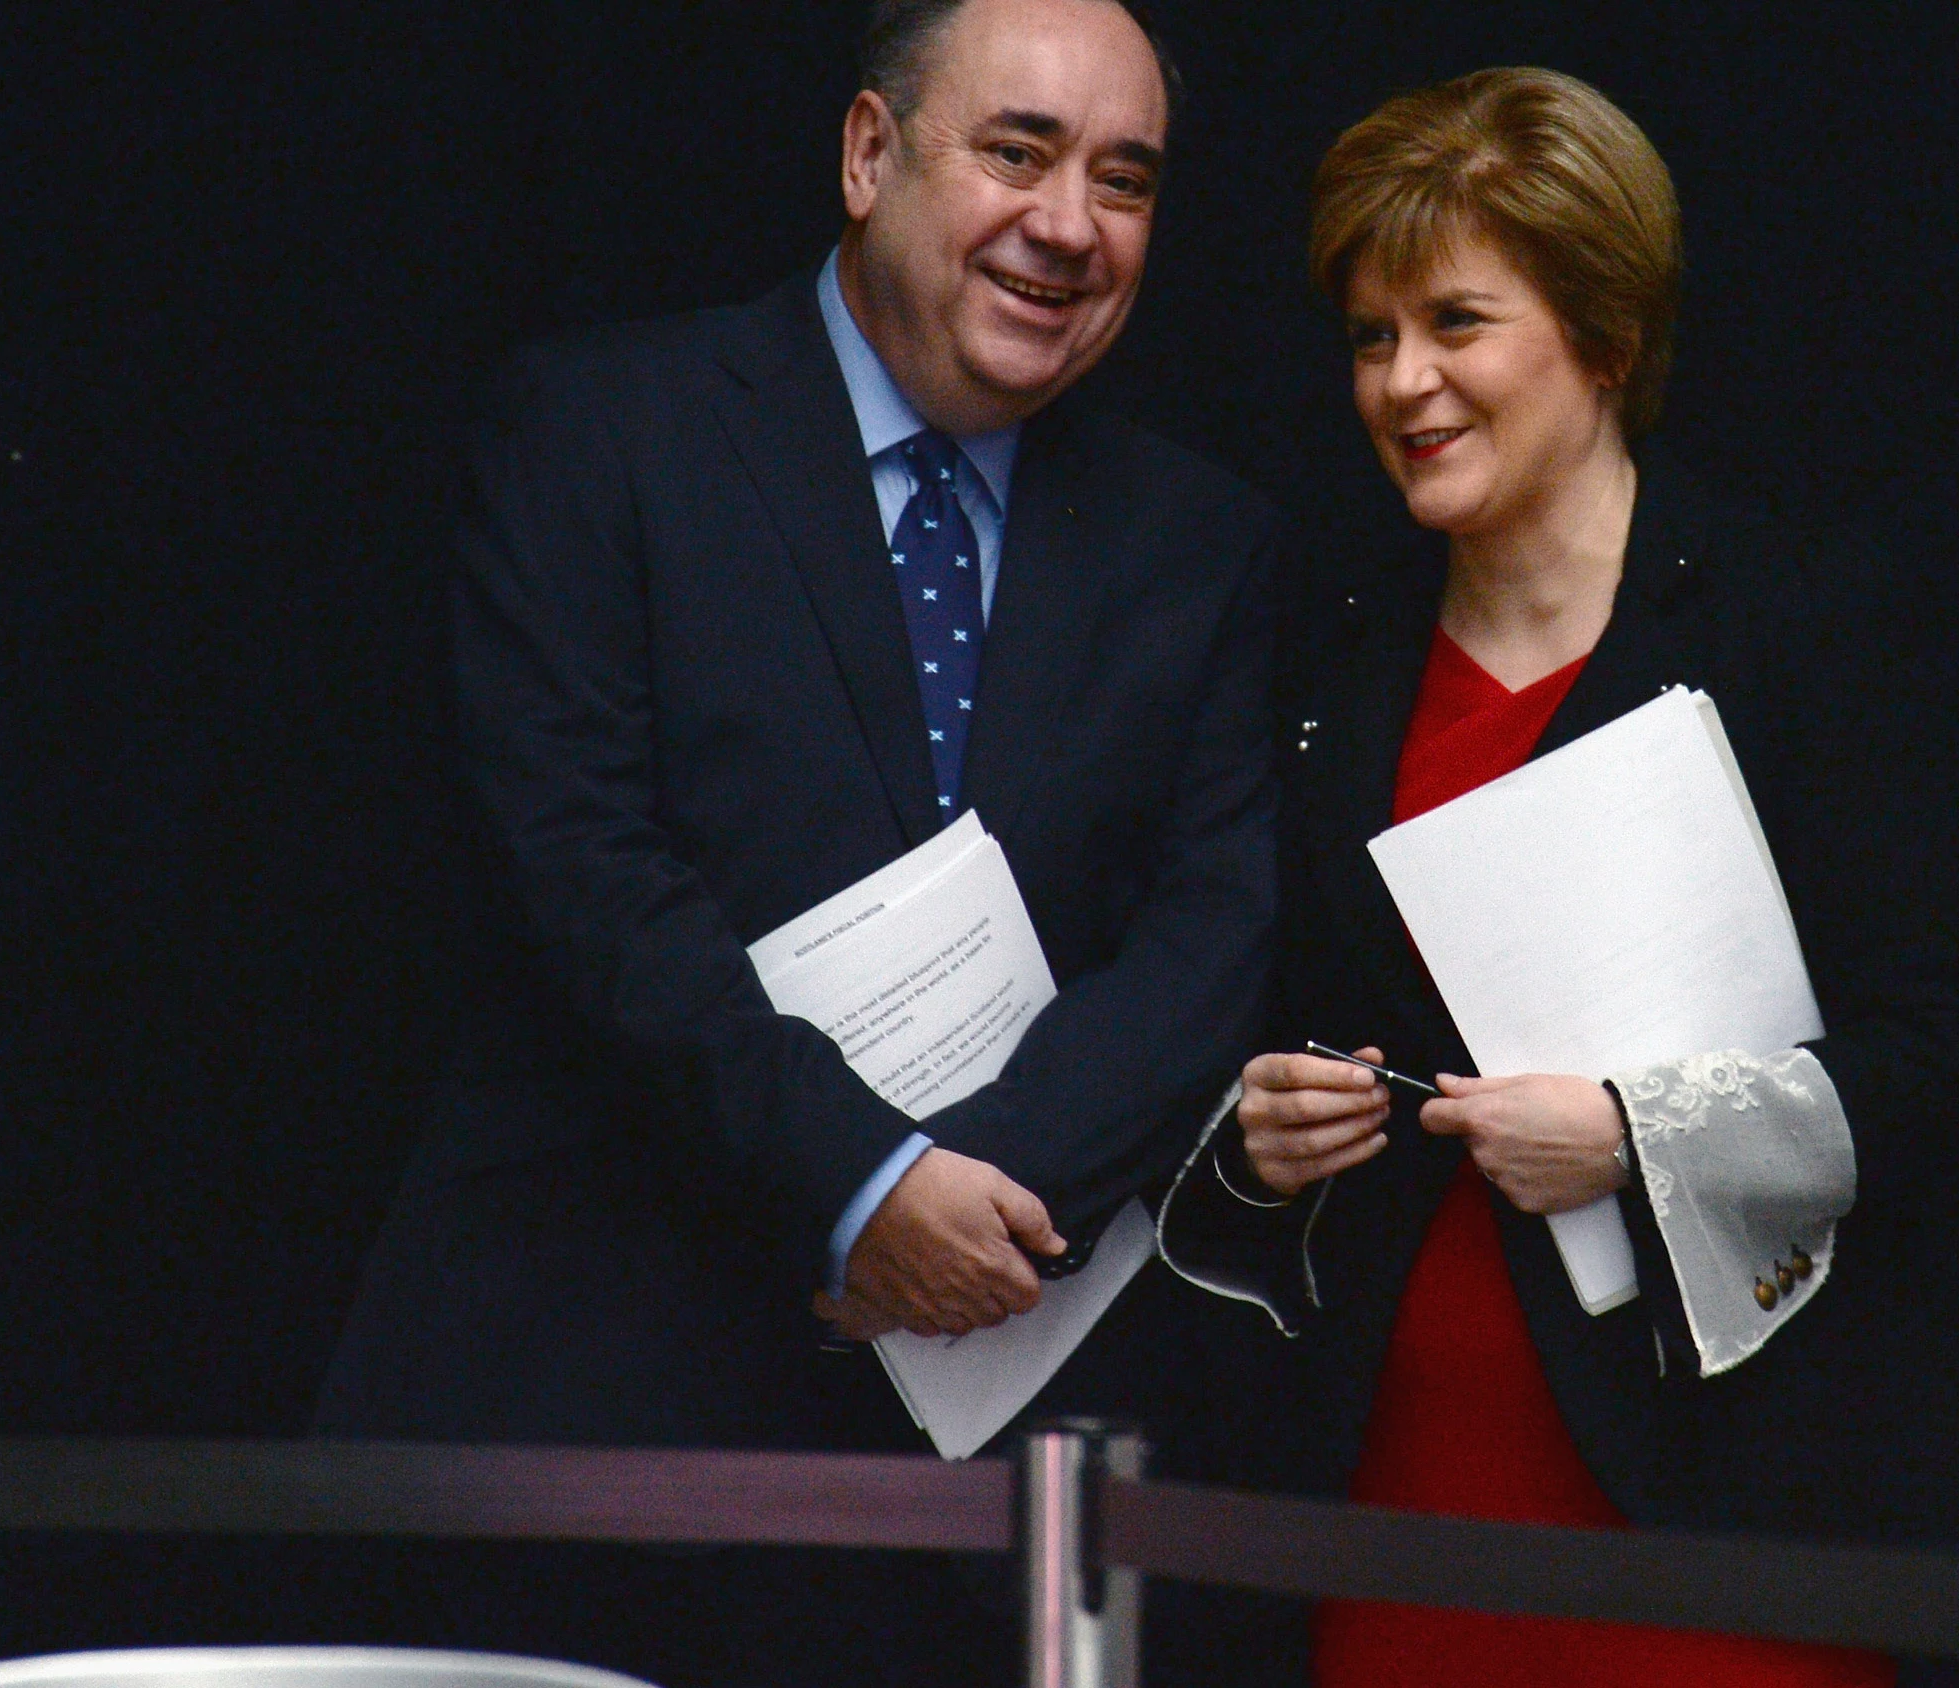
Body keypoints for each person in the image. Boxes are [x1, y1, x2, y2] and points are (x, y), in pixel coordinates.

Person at [316, 1, 1275, 1681]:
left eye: (1125, 180)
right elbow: (584, 876)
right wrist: (859, 1182)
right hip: (593, 1419)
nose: (1068, 225)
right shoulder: (604, 430)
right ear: (866, 153)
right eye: (1019, 150)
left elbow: (1210, 940)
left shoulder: (1202, 541)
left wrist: (981, 1204)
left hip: (986, 1487)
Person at [1159, 68, 1959, 1687]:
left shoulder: (1793, 626)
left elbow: (1951, 1060)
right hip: (1400, 1496)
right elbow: (1263, 1025)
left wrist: (1635, 1137)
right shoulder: (1336, 657)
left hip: (1717, 1508)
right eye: (1368, 335)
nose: (1403, 381)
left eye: (1457, 322)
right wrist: (1267, 1139)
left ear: (1606, 340)